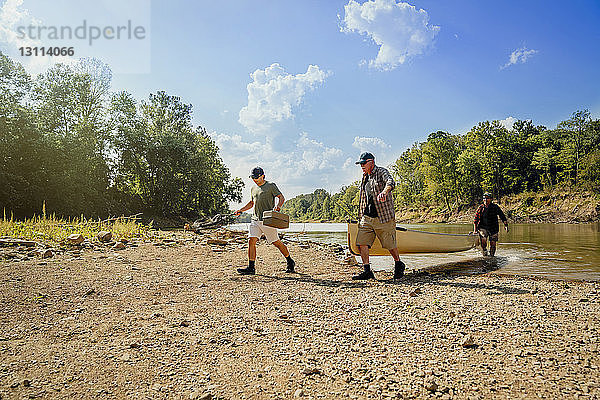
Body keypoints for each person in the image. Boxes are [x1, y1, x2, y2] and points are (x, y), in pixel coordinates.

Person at [353, 152, 406, 280]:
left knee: (390, 245)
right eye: (360, 164)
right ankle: (367, 271)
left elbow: (390, 182)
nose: (362, 166)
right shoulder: (365, 177)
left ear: (371, 162)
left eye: (364, 163)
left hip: (383, 216)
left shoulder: (382, 171)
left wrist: (384, 191)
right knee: (361, 243)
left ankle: (399, 264)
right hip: (367, 217)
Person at [234, 167, 295, 275]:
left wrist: (278, 207)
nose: (254, 180)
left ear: (262, 175)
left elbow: (281, 197)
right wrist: (241, 210)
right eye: (253, 177)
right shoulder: (253, 188)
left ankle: (290, 261)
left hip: (268, 220)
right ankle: (251, 268)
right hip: (255, 220)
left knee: (276, 243)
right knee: (251, 241)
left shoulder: (271, 186)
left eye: (256, 177)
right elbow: (252, 203)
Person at [473, 192, 509, 256]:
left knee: (493, 244)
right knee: (483, 239)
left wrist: (506, 225)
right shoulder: (481, 208)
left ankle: (492, 257)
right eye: (484, 198)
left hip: (494, 228)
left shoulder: (495, 207)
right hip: (483, 227)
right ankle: (484, 251)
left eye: (488, 198)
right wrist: (475, 230)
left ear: (491, 199)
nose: (486, 200)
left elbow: (502, 216)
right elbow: (476, 220)